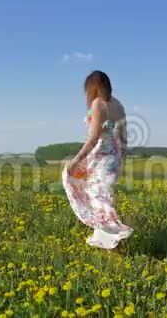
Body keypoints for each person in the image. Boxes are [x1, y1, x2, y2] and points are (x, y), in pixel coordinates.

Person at [62, 70, 134, 249]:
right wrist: (121, 159)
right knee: (99, 195)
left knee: (94, 194)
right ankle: (106, 241)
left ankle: (116, 230)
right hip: (112, 156)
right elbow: (124, 137)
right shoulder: (118, 104)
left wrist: (76, 160)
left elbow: (94, 138)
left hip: (100, 153)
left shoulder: (97, 104)